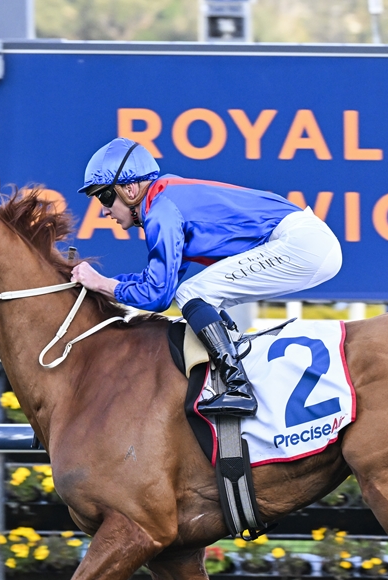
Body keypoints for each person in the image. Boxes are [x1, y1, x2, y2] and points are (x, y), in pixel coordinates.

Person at [71, 137, 342, 417]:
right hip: (307, 241)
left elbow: (158, 296)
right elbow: (158, 281)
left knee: (192, 294)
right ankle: (237, 367)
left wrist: (102, 284)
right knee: (202, 296)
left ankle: (238, 386)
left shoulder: (161, 211)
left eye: (104, 197)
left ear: (129, 189)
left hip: (302, 242)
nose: (103, 210)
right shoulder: (164, 199)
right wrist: (103, 284)